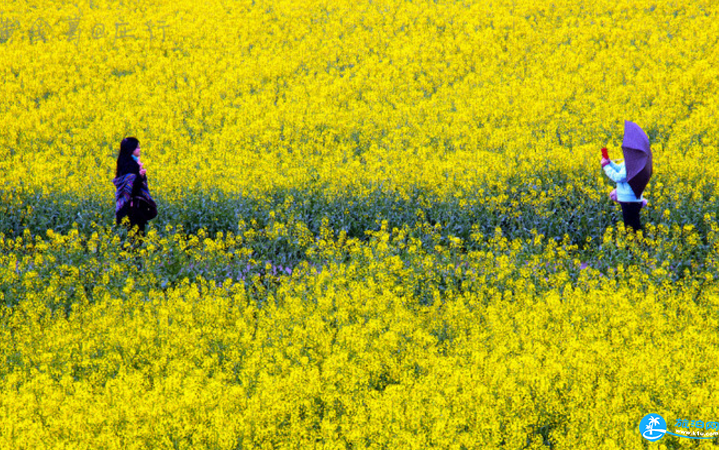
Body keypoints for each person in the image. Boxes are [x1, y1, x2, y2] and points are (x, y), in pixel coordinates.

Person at [113, 137, 156, 234]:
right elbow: (132, 189)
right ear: (131, 149)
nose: (139, 149)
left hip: (125, 208)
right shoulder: (131, 166)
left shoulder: (123, 163)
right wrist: (140, 176)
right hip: (133, 210)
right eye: (137, 148)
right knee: (136, 236)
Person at [601, 148, 648, 231]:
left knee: (631, 226)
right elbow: (620, 169)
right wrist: (609, 162)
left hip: (629, 200)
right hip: (632, 199)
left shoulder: (632, 165)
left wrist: (606, 166)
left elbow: (618, 177)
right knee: (633, 224)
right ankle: (636, 241)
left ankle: (635, 242)